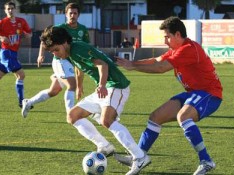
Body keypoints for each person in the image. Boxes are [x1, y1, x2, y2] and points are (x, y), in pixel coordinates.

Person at [115, 16, 223, 175]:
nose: (165, 41)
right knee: (156, 117)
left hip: (210, 94)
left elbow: (161, 68)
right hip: (193, 93)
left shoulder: (189, 49)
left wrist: (133, 67)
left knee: (183, 116)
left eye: (167, 36)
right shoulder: (176, 50)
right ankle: (139, 157)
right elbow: (155, 60)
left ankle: (206, 161)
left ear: (178, 34)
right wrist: (131, 64)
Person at [40, 26, 151, 175]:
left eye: (56, 50)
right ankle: (104, 146)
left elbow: (102, 64)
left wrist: (101, 85)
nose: (55, 54)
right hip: (105, 88)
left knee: (107, 120)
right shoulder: (70, 53)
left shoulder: (77, 49)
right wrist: (79, 86)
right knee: (73, 116)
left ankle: (140, 157)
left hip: (116, 85)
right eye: (52, 52)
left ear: (65, 42)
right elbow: (80, 69)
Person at [21, 3, 89, 117]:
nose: (72, 15)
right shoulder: (59, 28)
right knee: (72, 85)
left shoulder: (83, 30)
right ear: (66, 14)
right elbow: (44, 40)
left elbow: (85, 47)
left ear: (78, 15)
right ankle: (71, 113)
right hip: (60, 60)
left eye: (75, 13)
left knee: (54, 90)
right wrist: (40, 55)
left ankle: (28, 102)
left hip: (71, 62)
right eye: (70, 13)